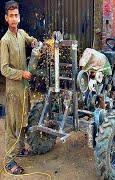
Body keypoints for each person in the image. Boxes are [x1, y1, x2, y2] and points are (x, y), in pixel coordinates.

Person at [1, 0, 37, 174]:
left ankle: (21, 148)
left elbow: (31, 41)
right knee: (13, 125)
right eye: (11, 16)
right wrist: (21, 73)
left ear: (19, 17)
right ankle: (9, 161)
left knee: (24, 120)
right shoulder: (5, 40)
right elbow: (4, 69)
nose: (14, 19)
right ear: (6, 18)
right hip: (13, 90)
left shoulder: (21, 34)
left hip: (24, 88)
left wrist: (35, 43)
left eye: (16, 15)